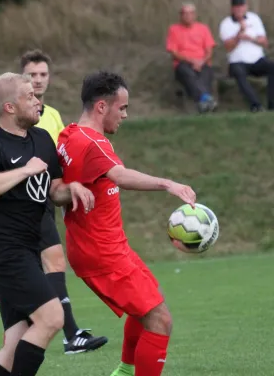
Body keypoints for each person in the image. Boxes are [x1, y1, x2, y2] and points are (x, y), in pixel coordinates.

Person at [56, 71, 197, 376]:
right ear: (102, 107)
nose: (125, 115)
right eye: (122, 108)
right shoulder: (93, 143)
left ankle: (122, 372)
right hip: (102, 253)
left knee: (147, 306)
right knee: (160, 320)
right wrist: (167, 184)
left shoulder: (69, 134)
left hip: (105, 246)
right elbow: (119, 175)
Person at [0, 72, 96, 376]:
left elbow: (53, 190)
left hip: (27, 248)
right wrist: (24, 171)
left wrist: (72, 189)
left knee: (15, 343)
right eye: (30, 97)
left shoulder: (41, 138)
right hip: (1, 249)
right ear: (10, 107)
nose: (39, 101)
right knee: (51, 318)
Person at [19, 48, 108, 354]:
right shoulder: (11, 116)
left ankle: (58, 331)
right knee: (47, 265)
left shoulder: (53, 115)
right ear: (22, 78)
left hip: (47, 199)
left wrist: (71, 186)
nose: (38, 80)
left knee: (46, 267)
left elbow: (62, 159)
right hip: (23, 205)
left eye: (43, 74)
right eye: (32, 75)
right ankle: (68, 334)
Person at [219, 0, 274, 112]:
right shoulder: (226, 23)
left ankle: (273, 106)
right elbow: (228, 47)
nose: (240, 10)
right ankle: (255, 105)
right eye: (237, 7)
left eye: (242, 7)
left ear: (246, 7)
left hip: (257, 60)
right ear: (232, 9)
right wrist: (238, 35)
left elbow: (264, 42)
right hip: (237, 61)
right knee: (238, 72)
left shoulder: (254, 18)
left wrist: (251, 39)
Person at [166, 2, 217, 113]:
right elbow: (173, 52)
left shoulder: (203, 28)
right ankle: (206, 99)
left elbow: (209, 50)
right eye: (185, 13)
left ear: (195, 15)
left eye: (190, 13)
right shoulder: (174, 29)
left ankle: (203, 103)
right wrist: (192, 61)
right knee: (188, 73)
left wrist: (201, 61)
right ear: (181, 16)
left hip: (202, 62)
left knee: (206, 74)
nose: (188, 16)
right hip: (183, 62)